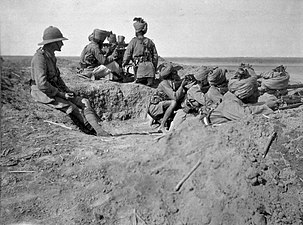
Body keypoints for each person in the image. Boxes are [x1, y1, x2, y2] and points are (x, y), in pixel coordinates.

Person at [30, 26, 111, 136]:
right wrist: (61, 94)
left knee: (84, 102)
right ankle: (92, 131)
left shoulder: (51, 56)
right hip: (42, 93)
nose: (62, 44)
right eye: (60, 42)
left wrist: (67, 91)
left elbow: (57, 78)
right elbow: (42, 84)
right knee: (72, 108)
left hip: (53, 90)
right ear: (53, 43)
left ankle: (99, 130)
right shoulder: (40, 57)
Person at [205, 75, 276, 125]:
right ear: (245, 94)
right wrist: (266, 106)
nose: (258, 94)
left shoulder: (234, 98)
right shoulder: (229, 103)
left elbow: (247, 107)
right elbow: (246, 115)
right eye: (254, 92)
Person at [169, 66, 213, 131]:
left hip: (193, 114)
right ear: (203, 80)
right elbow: (206, 102)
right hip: (185, 115)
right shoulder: (194, 89)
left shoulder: (201, 88)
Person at [148, 63, 187, 132]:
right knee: (174, 102)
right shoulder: (164, 83)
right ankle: (162, 125)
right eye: (175, 74)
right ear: (171, 75)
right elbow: (175, 97)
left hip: (160, 106)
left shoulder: (170, 83)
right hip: (154, 108)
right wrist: (182, 86)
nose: (177, 76)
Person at [122, 17, 158, 86]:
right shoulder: (150, 41)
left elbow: (127, 55)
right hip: (150, 71)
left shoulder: (133, 41)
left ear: (136, 31)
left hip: (139, 70)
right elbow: (155, 57)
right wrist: (154, 68)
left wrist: (123, 64)